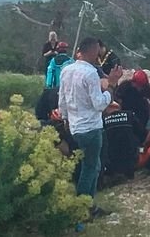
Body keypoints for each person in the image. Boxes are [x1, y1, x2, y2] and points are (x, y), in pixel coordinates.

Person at [58, 36, 123, 219]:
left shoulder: (66, 70)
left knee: (90, 165)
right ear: (94, 52)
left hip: (74, 126)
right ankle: (85, 207)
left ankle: (85, 204)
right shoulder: (91, 73)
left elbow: (62, 98)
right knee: (90, 167)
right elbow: (99, 104)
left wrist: (65, 119)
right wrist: (110, 85)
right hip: (91, 128)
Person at [101, 102, 143, 180]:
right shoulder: (129, 115)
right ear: (119, 108)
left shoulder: (103, 120)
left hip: (112, 156)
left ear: (107, 110)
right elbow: (140, 131)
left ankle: (114, 175)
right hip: (129, 154)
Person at [114, 70, 150, 143]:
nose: (139, 88)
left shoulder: (147, 88)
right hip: (126, 110)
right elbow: (117, 98)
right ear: (133, 82)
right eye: (138, 86)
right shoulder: (125, 86)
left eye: (141, 86)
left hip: (141, 111)